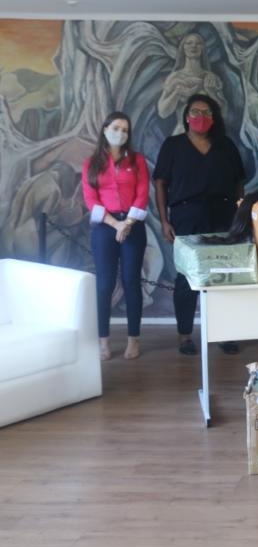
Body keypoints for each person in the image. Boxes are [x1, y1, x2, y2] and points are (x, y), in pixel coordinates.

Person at [154, 94, 245, 356]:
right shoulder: (173, 145)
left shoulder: (225, 145)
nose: (200, 117)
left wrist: (238, 215)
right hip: (186, 216)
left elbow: (239, 181)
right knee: (186, 277)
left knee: (222, 275)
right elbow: (160, 183)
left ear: (214, 118)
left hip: (223, 216)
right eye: (195, 112)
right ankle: (185, 336)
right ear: (186, 116)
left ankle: (223, 333)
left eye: (206, 112)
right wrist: (164, 221)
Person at [80, 111, 149, 361]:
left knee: (132, 282)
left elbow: (142, 194)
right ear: (105, 129)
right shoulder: (92, 163)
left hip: (132, 225)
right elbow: (91, 199)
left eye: (125, 130)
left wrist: (127, 223)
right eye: (116, 128)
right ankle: (103, 341)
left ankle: (133, 339)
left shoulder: (137, 160)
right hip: (104, 227)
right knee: (105, 284)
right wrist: (115, 224)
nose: (120, 133)